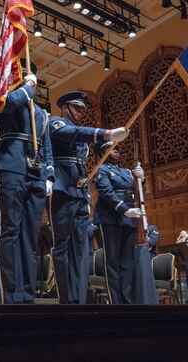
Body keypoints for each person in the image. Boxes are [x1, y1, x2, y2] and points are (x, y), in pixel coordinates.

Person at [48, 90, 129, 304]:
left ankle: (79, 298)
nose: (81, 113)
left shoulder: (79, 131)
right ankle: (65, 298)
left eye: (83, 110)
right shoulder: (56, 122)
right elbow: (72, 134)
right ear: (65, 107)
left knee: (81, 248)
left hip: (79, 191)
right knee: (62, 245)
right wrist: (107, 133)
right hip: (62, 188)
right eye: (77, 108)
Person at [0, 62, 55, 304]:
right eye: (18, 71)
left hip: (36, 172)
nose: (25, 75)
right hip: (11, 165)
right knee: (10, 231)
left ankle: (27, 294)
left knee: (30, 235)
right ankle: (11, 294)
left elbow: (46, 144)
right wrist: (27, 88)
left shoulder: (42, 113)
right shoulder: (2, 96)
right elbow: (7, 105)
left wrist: (49, 175)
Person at [92, 141, 144, 304]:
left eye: (117, 149)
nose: (116, 152)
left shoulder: (126, 172)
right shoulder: (100, 170)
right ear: (102, 152)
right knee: (112, 261)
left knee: (127, 261)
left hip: (127, 218)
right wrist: (124, 209)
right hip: (109, 218)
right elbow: (107, 193)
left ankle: (127, 299)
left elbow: (136, 192)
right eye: (111, 149)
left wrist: (141, 180)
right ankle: (115, 301)